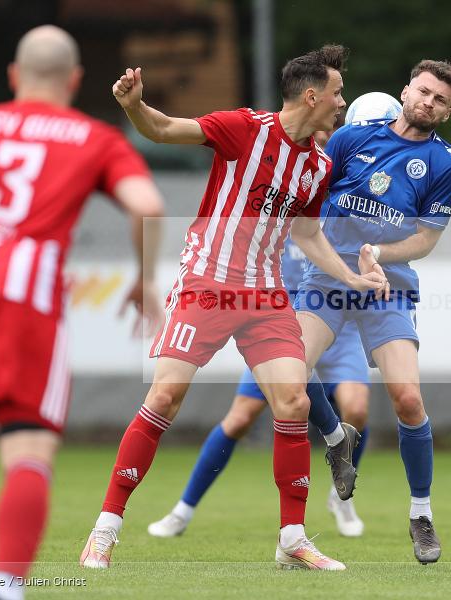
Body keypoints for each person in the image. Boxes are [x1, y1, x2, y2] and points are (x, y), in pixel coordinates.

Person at [79, 45, 387, 571]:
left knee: (293, 402)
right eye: (337, 93)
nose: (342, 103)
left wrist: (352, 277)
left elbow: (308, 234)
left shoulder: (318, 163)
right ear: (311, 96)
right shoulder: (243, 128)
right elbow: (163, 129)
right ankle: (106, 528)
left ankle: (292, 540)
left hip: (265, 295)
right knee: (166, 397)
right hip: (208, 284)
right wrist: (132, 106)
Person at [0, 25, 164, 600]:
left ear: (15, 77)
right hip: (23, 287)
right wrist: (143, 280)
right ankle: (5, 586)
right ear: (74, 80)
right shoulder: (93, 136)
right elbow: (146, 204)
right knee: (28, 446)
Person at [293, 60, 451, 564]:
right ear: (406, 89)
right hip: (327, 280)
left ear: (448, 112)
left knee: (409, 400)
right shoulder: (352, 140)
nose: (428, 102)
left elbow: (426, 240)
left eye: (440, 100)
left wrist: (379, 255)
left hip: (386, 287)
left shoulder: (445, 164)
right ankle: (334, 438)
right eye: (424, 91)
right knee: (288, 374)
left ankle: (421, 514)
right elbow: (309, 200)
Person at [147, 237, 371, 539]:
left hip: (338, 329)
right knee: (240, 418)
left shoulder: (344, 209)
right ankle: (182, 511)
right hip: (281, 331)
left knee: (356, 408)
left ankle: (341, 497)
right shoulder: (282, 211)